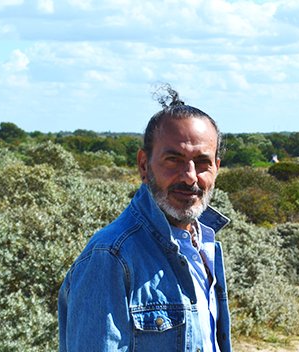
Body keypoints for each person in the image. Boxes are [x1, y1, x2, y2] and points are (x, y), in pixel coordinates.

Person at [58, 85, 232, 352]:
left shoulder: (204, 245)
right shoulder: (111, 257)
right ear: (143, 165)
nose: (190, 176)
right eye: (173, 159)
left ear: (216, 168)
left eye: (202, 162)